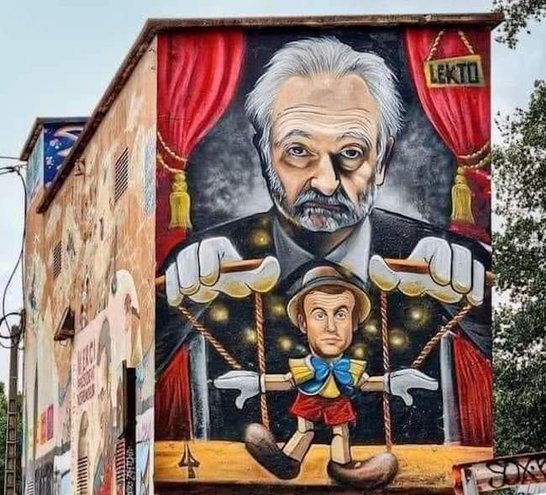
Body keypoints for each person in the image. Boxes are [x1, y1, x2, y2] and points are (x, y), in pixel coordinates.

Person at [158, 36, 490, 445]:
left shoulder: (436, 264)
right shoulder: (210, 266)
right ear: (264, 154)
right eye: (298, 151)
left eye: (351, 153)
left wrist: (477, 304)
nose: (326, 183)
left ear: (382, 160)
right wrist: (171, 306)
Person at [214, 266, 438, 487]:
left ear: (354, 322)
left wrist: (391, 383)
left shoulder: (348, 368)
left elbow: (366, 383)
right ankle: (287, 462)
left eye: (340, 314)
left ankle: (343, 466)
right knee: (305, 430)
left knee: (341, 432)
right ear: (303, 323)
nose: (331, 327)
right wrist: (257, 383)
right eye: (319, 315)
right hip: (309, 398)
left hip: (338, 402)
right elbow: (287, 381)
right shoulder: (306, 367)